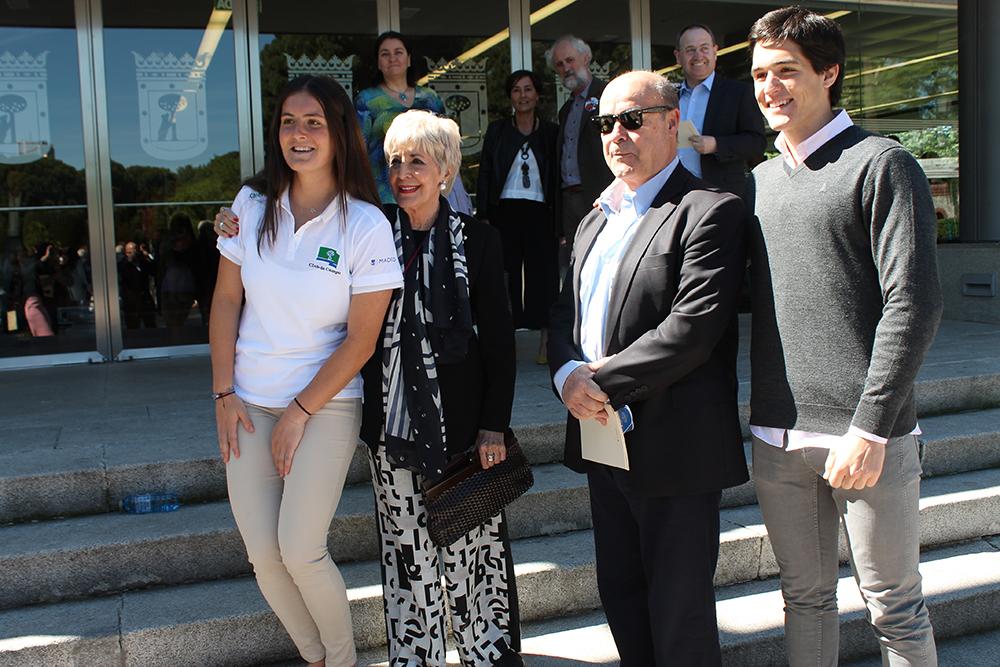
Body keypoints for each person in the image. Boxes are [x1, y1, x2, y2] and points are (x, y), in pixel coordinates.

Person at [746, 7, 942, 666]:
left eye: (786, 72)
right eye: (759, 74)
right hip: (778, 435)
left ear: (829, 73)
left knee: (894, 604)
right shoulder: (759, 183)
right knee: (804, 599)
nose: (769, 87)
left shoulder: (882, 165)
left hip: (867, 438)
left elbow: (913, 304)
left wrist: (872, 427)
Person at [548, 71, 748, 665]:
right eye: (605, 122)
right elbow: (561, 315)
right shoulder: (594, 218)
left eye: (632, 119)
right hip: (604, 441)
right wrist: (565, 376)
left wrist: (595, 383)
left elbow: (691, 331)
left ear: (670, 122)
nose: (616, 134)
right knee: (623, 598)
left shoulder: (709, 210)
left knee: (679, 614)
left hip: (676, 446)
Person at [209, 75, 403, 667]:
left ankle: (341, 662)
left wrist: (299, 412)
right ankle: (315, 657)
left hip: (326, 405)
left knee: (299, 548)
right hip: (247, 402)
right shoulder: (249, 206)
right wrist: (222, 392)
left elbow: (362, 340)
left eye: (314, 122)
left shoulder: (366, 224)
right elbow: (225, 303)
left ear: (340, 133)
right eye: (289, 122)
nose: (299, 134)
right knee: (263, 556)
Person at [359, 110, 521, 666]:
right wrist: (233, 220)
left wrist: (493, 424)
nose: (403, 173)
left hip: (466, 430)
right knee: (406, 554)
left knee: (474, 554)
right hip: (393, 427)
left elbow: (499, 340)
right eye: (395, 162)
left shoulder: (479, 239)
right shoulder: (372, 230)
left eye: (417, 162)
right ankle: (416, 657)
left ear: (446, 171)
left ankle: (486, 653)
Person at [476, 69, 559, 364]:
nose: (522, 96)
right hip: (505, 211)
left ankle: (546, 340)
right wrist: (484, 214)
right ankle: (505, 337)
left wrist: (559, 220)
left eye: (527, 90)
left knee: (544, 276)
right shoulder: (498, 131)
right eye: (516, 90)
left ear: (537, 95)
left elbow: (558, 178)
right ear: (509, 96)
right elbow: (486, 172)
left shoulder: (550, 133)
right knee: (505, 275)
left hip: (540, 212)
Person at [355, 31, 472, 214]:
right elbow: (358, 150)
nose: (392, 58)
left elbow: (446, 145)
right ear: (378, 62)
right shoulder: (367, 99)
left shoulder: (430, 98)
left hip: (428, 190)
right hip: (385, 194)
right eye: (385, 54)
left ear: (409, 59)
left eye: (398, 52)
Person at [674, 23, 766, 197]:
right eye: (690, 50)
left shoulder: (738, 93)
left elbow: (756, 143)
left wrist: (716, 144)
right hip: (676, 194)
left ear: (715, 51)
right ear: (678, 56)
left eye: (704, 48)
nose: (698, 55)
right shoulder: (670, 97)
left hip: (720, 194)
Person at [546, 35, 613, 265]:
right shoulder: (566, 109)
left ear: (586, 58)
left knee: (604, 261)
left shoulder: (608, 97)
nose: (566, 68)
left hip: (600, 195)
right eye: (559, 64)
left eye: (570, 60)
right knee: (577, 265)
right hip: (569, 200)